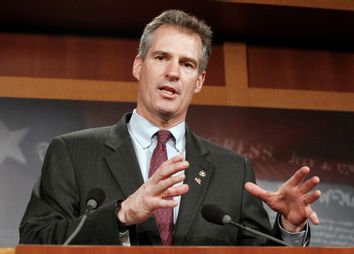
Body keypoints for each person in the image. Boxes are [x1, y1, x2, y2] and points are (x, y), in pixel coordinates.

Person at [19, 9, 321, 246]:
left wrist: (289, 228)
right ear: (139, 65)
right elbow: (34, 240)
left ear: (199, 81)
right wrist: (121, 215)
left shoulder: (233, 170)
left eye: (187, 64)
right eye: (162, 57)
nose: (173, 72)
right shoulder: (73, 152)